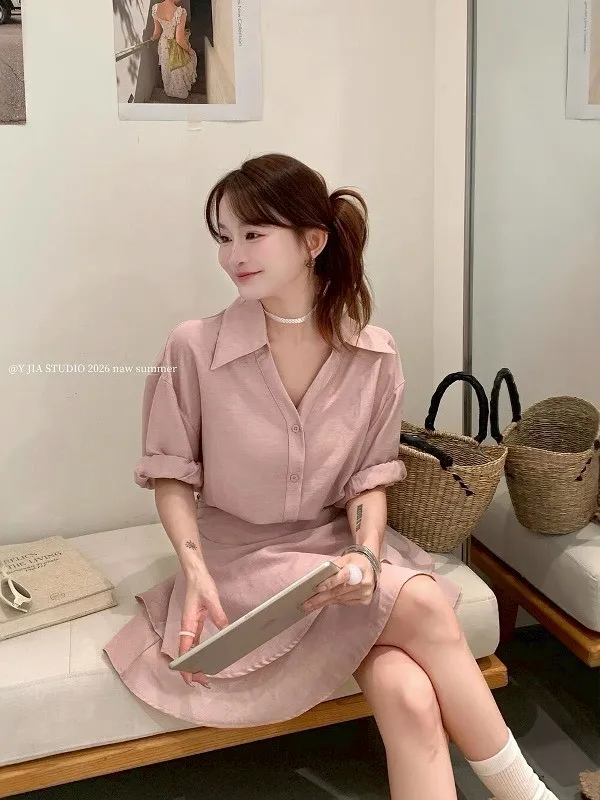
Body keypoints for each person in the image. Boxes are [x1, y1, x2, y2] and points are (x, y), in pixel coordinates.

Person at [104, 154, 559, 800]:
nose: (233, 255)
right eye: (224, 237)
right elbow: (171, 474)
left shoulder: (374, 356)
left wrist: (367, 557)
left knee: (408, 694)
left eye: (253, 234)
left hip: (335, 556)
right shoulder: (194, 348)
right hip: (241, 564)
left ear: (312, 242)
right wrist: (194, 568)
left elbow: (369, 478)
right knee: (425, 602)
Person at [149, 0, 197, 100]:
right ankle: (180, 92)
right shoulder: (180, 12)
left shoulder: (155, 8)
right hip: (175, 44)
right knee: (179, 67)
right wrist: (189, 50)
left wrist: (152, 38)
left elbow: (157, 32)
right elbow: (179, 39)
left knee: (167, 68)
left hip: (164, 44)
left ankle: (169, 90)